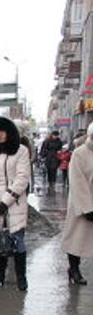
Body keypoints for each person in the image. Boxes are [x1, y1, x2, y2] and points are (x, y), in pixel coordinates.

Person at [0, 117, 32, 291]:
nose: (0, 135)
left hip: (15, 204)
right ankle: (0, 275)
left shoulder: (21, 151)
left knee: (18, 241)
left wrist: (5, 202)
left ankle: (21, 277)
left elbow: (22, 179)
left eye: (3, 131)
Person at [61, 121, 93, 286]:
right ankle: (74, 269)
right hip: (81, 203)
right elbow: (77, 181)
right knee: (77, 239)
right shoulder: (80, 153)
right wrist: (87, 208)